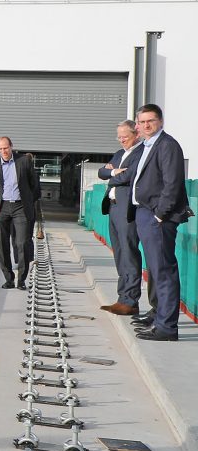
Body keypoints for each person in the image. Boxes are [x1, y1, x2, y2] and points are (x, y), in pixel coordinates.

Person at [129, 104, 193, 342]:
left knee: (164, 270)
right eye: (143, 121)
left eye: (151, 121)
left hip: (158, 216)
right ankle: (159, 314)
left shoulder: (167, 145)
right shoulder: (147, 145)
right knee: (155, 269)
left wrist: (160, 215)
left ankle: (166, 326)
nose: (147, 125)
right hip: (145, 213)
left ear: (161, 121)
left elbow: (172, 184)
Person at [98, 120, 146, 316]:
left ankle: (130, 300)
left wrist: (113, 173)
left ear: (136, 134)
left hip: (127, 210)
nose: (121, 140)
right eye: (119, 136)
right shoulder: (120, 154)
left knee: (129, 253)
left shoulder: (140, 152)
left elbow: (129, 177)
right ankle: (122, 297)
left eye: (124, 136)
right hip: (113, 208)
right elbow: (102, 172)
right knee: (119, 253)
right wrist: (112, 171)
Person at [0, 136, 40, 289]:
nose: (4, 151)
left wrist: (27, 200)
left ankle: (21, 280)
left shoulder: (24, 161)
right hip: (1, 208)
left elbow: (34, 184)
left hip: (20, 207)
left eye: (6, 148)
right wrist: (0, 198)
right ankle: (9, 279)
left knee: (22, 243)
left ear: (11, 147)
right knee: (2, 245)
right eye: (0, 149)